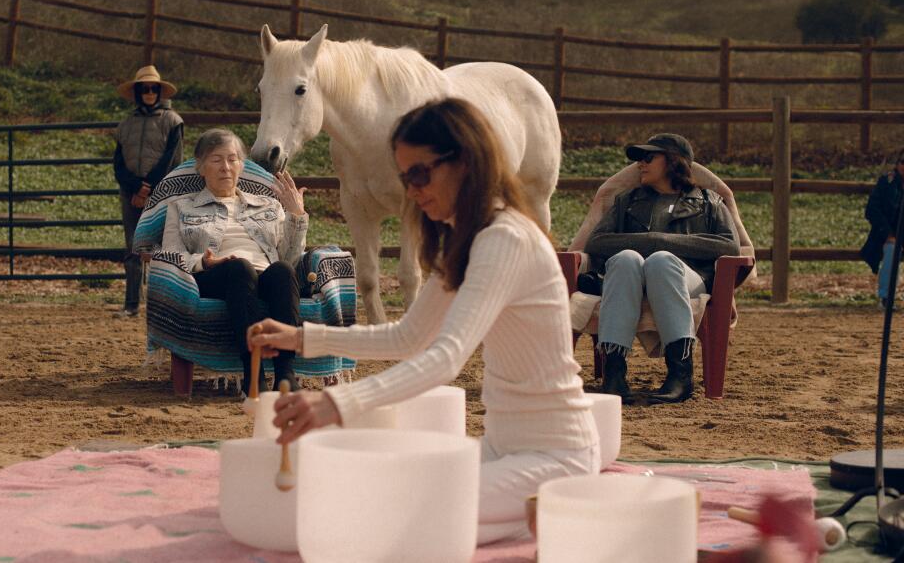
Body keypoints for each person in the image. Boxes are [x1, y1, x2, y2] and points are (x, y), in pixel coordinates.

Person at [248, 98, 599, 545]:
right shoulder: (463, 238)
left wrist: (335, 404)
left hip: (557, 457)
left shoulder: (504, 239)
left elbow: (446, 357)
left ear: (464, 162)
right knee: (371, 499)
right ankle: (526, 518)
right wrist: (301, 337)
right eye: (404, 176)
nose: (412, 190)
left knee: (388, 515)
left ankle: (547, 513)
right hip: (501, 450)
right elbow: (409, 336)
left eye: (420, 173)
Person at [584, 133, 740, 405]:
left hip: (686, 277)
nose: (639, 165)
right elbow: (596, 242)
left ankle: (680, 376)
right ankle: (614, 375)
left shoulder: (709, 201)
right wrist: (651, 243)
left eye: (648, 158)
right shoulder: (627, 200)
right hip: (629, 278)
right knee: (626, 259)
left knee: (661, 260)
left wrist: (661, 243)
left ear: (672, 162)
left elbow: (729, 247)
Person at [161, 129, 307, 395]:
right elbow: (172, 255)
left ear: (242, 165)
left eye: (233, 159)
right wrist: (204, 262)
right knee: (239, 267)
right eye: (216, 160)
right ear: (201, 167)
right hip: (216, 275)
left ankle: (286, 374)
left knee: (284, 271)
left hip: (263, 275)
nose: (226, 167)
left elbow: (290, 257)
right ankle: (254, 375)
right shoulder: (181, 207)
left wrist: (297, 216)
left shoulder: (268, 205)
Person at [114, 65, 185, 318]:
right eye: (144, 89)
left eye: (153, 88)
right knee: (133, 249)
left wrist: (148, 188)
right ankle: (131, 304)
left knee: (161, 250)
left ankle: (162, 306)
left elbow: (172, 159)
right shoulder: (126, 124)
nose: (149, 93)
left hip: (161, 195)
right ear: (137, 92)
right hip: (131, 193)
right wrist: (134, 186)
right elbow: (118, 163)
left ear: (159, 91)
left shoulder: (173, 121)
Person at [860, 147, 904, 308]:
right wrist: (888, 234)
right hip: (889, 234)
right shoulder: (886, 183)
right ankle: (886, 297)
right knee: (892, 250)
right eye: (903, 162)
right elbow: (872, 211)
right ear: (898, 164)